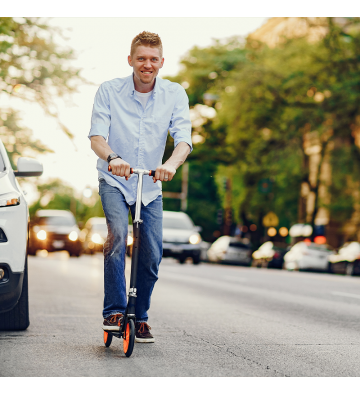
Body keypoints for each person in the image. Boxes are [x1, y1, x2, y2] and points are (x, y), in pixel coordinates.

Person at [88, 31, 192, 343]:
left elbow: (183, 140)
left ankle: (140, 316)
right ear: (131, 60)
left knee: (151, 255)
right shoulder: (109, 90)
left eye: (153, 59)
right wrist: (113, 158)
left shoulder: (175, 94)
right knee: (118, 233)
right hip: (115, 180)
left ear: (161, 62)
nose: (147, 64)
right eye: (141, 58)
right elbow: (96, 137)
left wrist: (170, 165)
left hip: (150, 184)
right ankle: (115, 311)